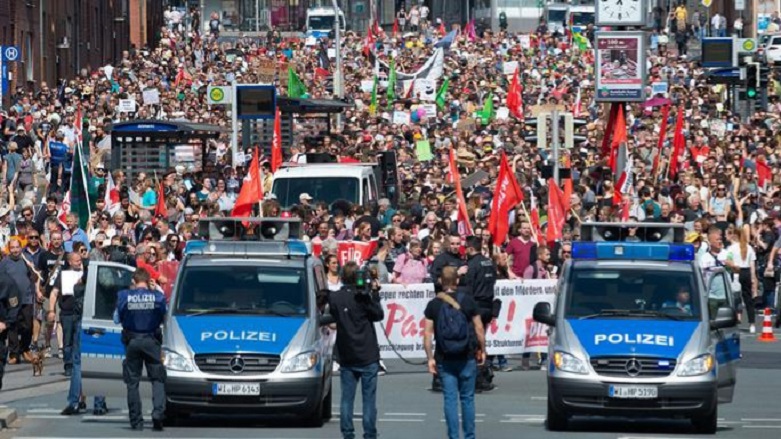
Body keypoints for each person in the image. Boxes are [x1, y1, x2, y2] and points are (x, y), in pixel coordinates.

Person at [423, 266, 486, 439]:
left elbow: (427, 334)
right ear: (457, 280)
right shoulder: (468, 301)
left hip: (444, 357)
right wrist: (482, 349)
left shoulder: (434, 304)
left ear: (440, 281)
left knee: (450, 400)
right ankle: (469, 436)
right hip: (466, 356)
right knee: (467, 399)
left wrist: (430, 358)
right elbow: (479, 328)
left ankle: (453, 436)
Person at [327, 261, 384, 439]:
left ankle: (348, 432)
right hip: (367, 353)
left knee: (347, 398)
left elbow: (331, 311)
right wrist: (374, 293)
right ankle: (369, 433)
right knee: (368, 399)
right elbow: (378, 315)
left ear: (343, 277)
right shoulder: (362, 297)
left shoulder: (336, 297)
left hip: (347, 353)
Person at [116, 268, 167, 431]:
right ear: (149, 280)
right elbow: (164, 317)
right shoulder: (158, 297)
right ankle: (158, 413)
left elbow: (116, 318)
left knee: (132, 383)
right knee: (158, 379)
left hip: (132, 341)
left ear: (133, 281)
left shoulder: (124, 296)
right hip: (152, 340)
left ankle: (136, 421)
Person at [51, 251, 88, 415]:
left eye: (80, 260)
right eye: (76, 260)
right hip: (68, 313)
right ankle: (68, 365)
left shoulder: (82, 281)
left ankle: (76, 401)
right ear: (69, 261)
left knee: (80, 360)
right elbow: (54, 292)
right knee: (69, 344)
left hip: (81, 319)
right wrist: (51, 310)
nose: (78, 262)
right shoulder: (65, 276)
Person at [462, 235, 497, 392]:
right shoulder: (489, 262)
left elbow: (469, 288)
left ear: (470, 248)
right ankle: (483, 375)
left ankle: (477, 379)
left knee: (474, 343)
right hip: (488, 305)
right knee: (482, 340)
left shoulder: (472, 265)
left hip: (476, 306)